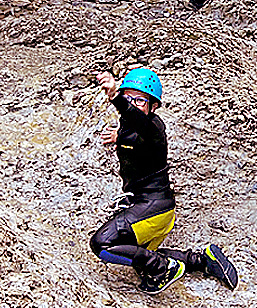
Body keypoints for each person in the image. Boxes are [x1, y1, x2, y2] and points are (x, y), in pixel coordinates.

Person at [91, 68, 238, 294]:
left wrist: (115, 96)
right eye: (128, 97)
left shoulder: (153, 127)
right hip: (150, 207)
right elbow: (132, 126)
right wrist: (117, 137)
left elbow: (140, 123)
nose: (132, 103)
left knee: (102, 244)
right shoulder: (130, 127)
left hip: (153, 208)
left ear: (153, 106)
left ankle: (163, 268)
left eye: (139, 100)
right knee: (134, 256)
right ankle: (202, 260)